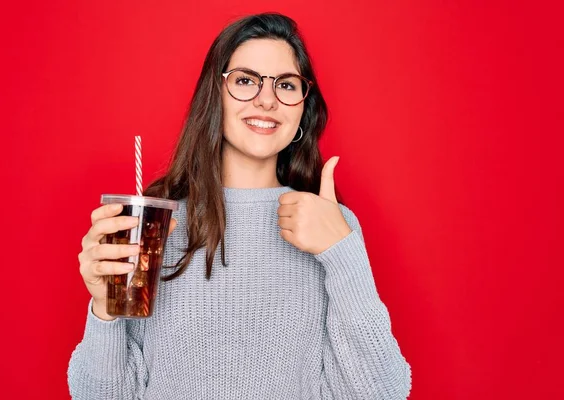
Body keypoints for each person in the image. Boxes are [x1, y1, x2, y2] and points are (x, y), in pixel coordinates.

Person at [68, 12, 412, 400]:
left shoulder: (330, 225)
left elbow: (382, 392)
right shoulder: (155, 225)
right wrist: (104, 310)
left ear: (302, 106)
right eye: (246, 81)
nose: (267, 100)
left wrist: (342, 253)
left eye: (285, 84)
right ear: (214, 95)